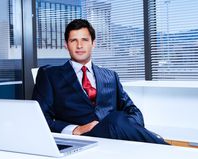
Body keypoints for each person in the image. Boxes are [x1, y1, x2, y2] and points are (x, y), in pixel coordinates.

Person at [32, 19, 168, 145]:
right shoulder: (50, 75)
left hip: (115, 135)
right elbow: (40, 119)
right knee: (118, 121)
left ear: (93, 43)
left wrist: (125, 125)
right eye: (74, 40)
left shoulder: (110, 76)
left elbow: (134, 112)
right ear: (66, 45)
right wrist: (76, 129)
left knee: (118, 120)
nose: (79, 45)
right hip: (83, 139)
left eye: (85, 40)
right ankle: (165, 147)